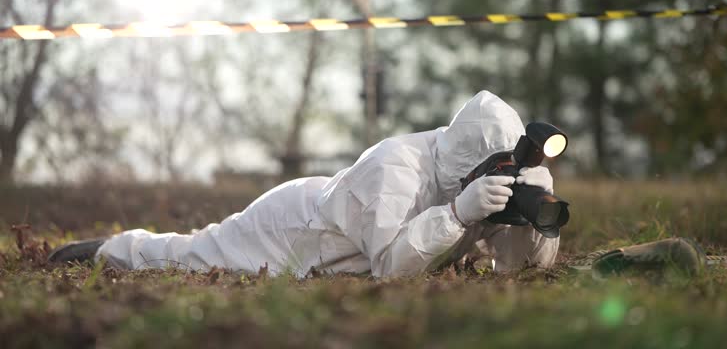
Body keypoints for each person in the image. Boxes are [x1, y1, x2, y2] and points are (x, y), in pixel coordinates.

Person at [49, 90, 559, 277]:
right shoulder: (396, 166)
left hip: (336, 218)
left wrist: (537, 218)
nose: (503, 177)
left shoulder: (495, 176)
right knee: (192, 254)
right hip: (292, 226)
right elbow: (388, 266)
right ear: (470, 158)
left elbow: (516, 271)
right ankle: (110, 248)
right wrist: (457, 216)